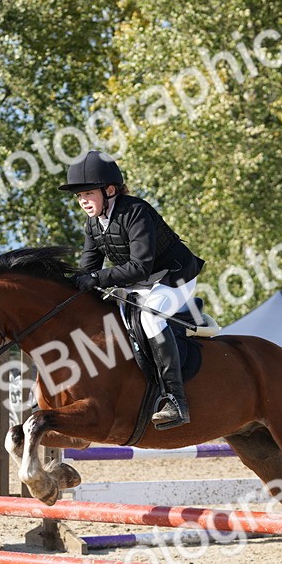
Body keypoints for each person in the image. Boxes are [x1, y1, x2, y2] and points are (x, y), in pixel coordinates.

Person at [59, 150, 205, 430]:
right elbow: (87, 270)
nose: (83, 202)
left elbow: (139, 266)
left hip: (174, 277)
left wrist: (96, 278)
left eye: (88, 193)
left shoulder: (135, 211)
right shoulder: (94, 224)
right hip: (142, 281)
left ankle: (176, 401)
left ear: (110, 190)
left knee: (150, 317)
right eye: (79, 197)